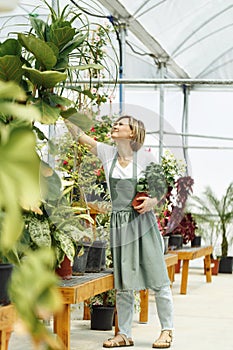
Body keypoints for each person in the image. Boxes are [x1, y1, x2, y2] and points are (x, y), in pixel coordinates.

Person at [65, 115, 174, 348]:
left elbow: (160, 189)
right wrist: (61, 111)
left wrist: (152, 201)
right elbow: (79, 136)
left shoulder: (145, 158)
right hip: (120, 225)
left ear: (132, 132)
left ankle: (167, 330)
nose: (115, 126)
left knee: (159, 278)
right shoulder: (106, 153)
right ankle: (124, 333)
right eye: (116, 123)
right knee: (124, 282)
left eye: (121, 124)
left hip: (143, 223)